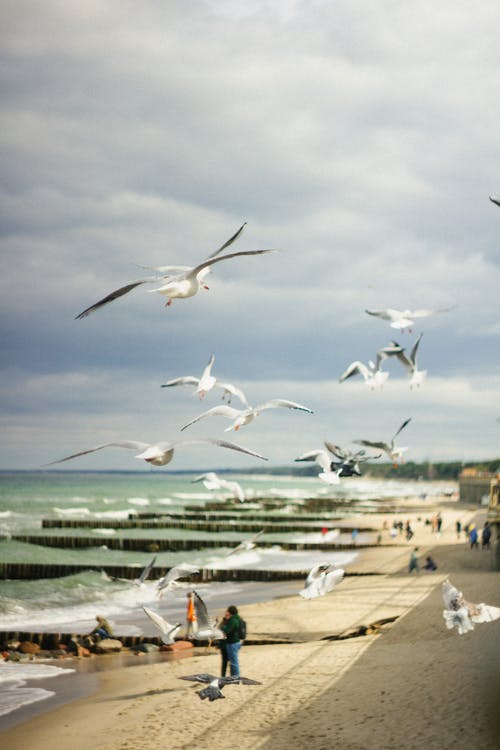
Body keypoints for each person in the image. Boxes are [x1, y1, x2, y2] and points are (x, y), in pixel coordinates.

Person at [219, 605, 242, 678]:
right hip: (234, 642)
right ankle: (234, 676)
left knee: (233, 662)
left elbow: (226, 630)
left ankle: (236, 677)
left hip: (232, 643)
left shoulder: (233, 620)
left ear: (230, 612)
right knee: (232, 661)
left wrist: (224, 624)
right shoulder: (236, 619)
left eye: (227, 611)